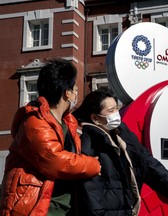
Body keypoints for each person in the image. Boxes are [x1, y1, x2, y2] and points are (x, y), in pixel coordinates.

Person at [0, 58, 101, 216]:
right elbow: (55, 161)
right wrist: (93, 165)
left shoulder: (68, 123)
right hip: (36, 208)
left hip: (63, 208)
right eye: (75, 88)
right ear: (67, 93)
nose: (76, 93)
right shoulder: (35, 121)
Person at [73, 87, 168, 216]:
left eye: (116, 108)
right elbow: (90, 192)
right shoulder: (88, 144)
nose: (116, 114)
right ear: (95, 118)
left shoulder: (123, 134)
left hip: (128, 210)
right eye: (111, 110)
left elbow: (146, 161)